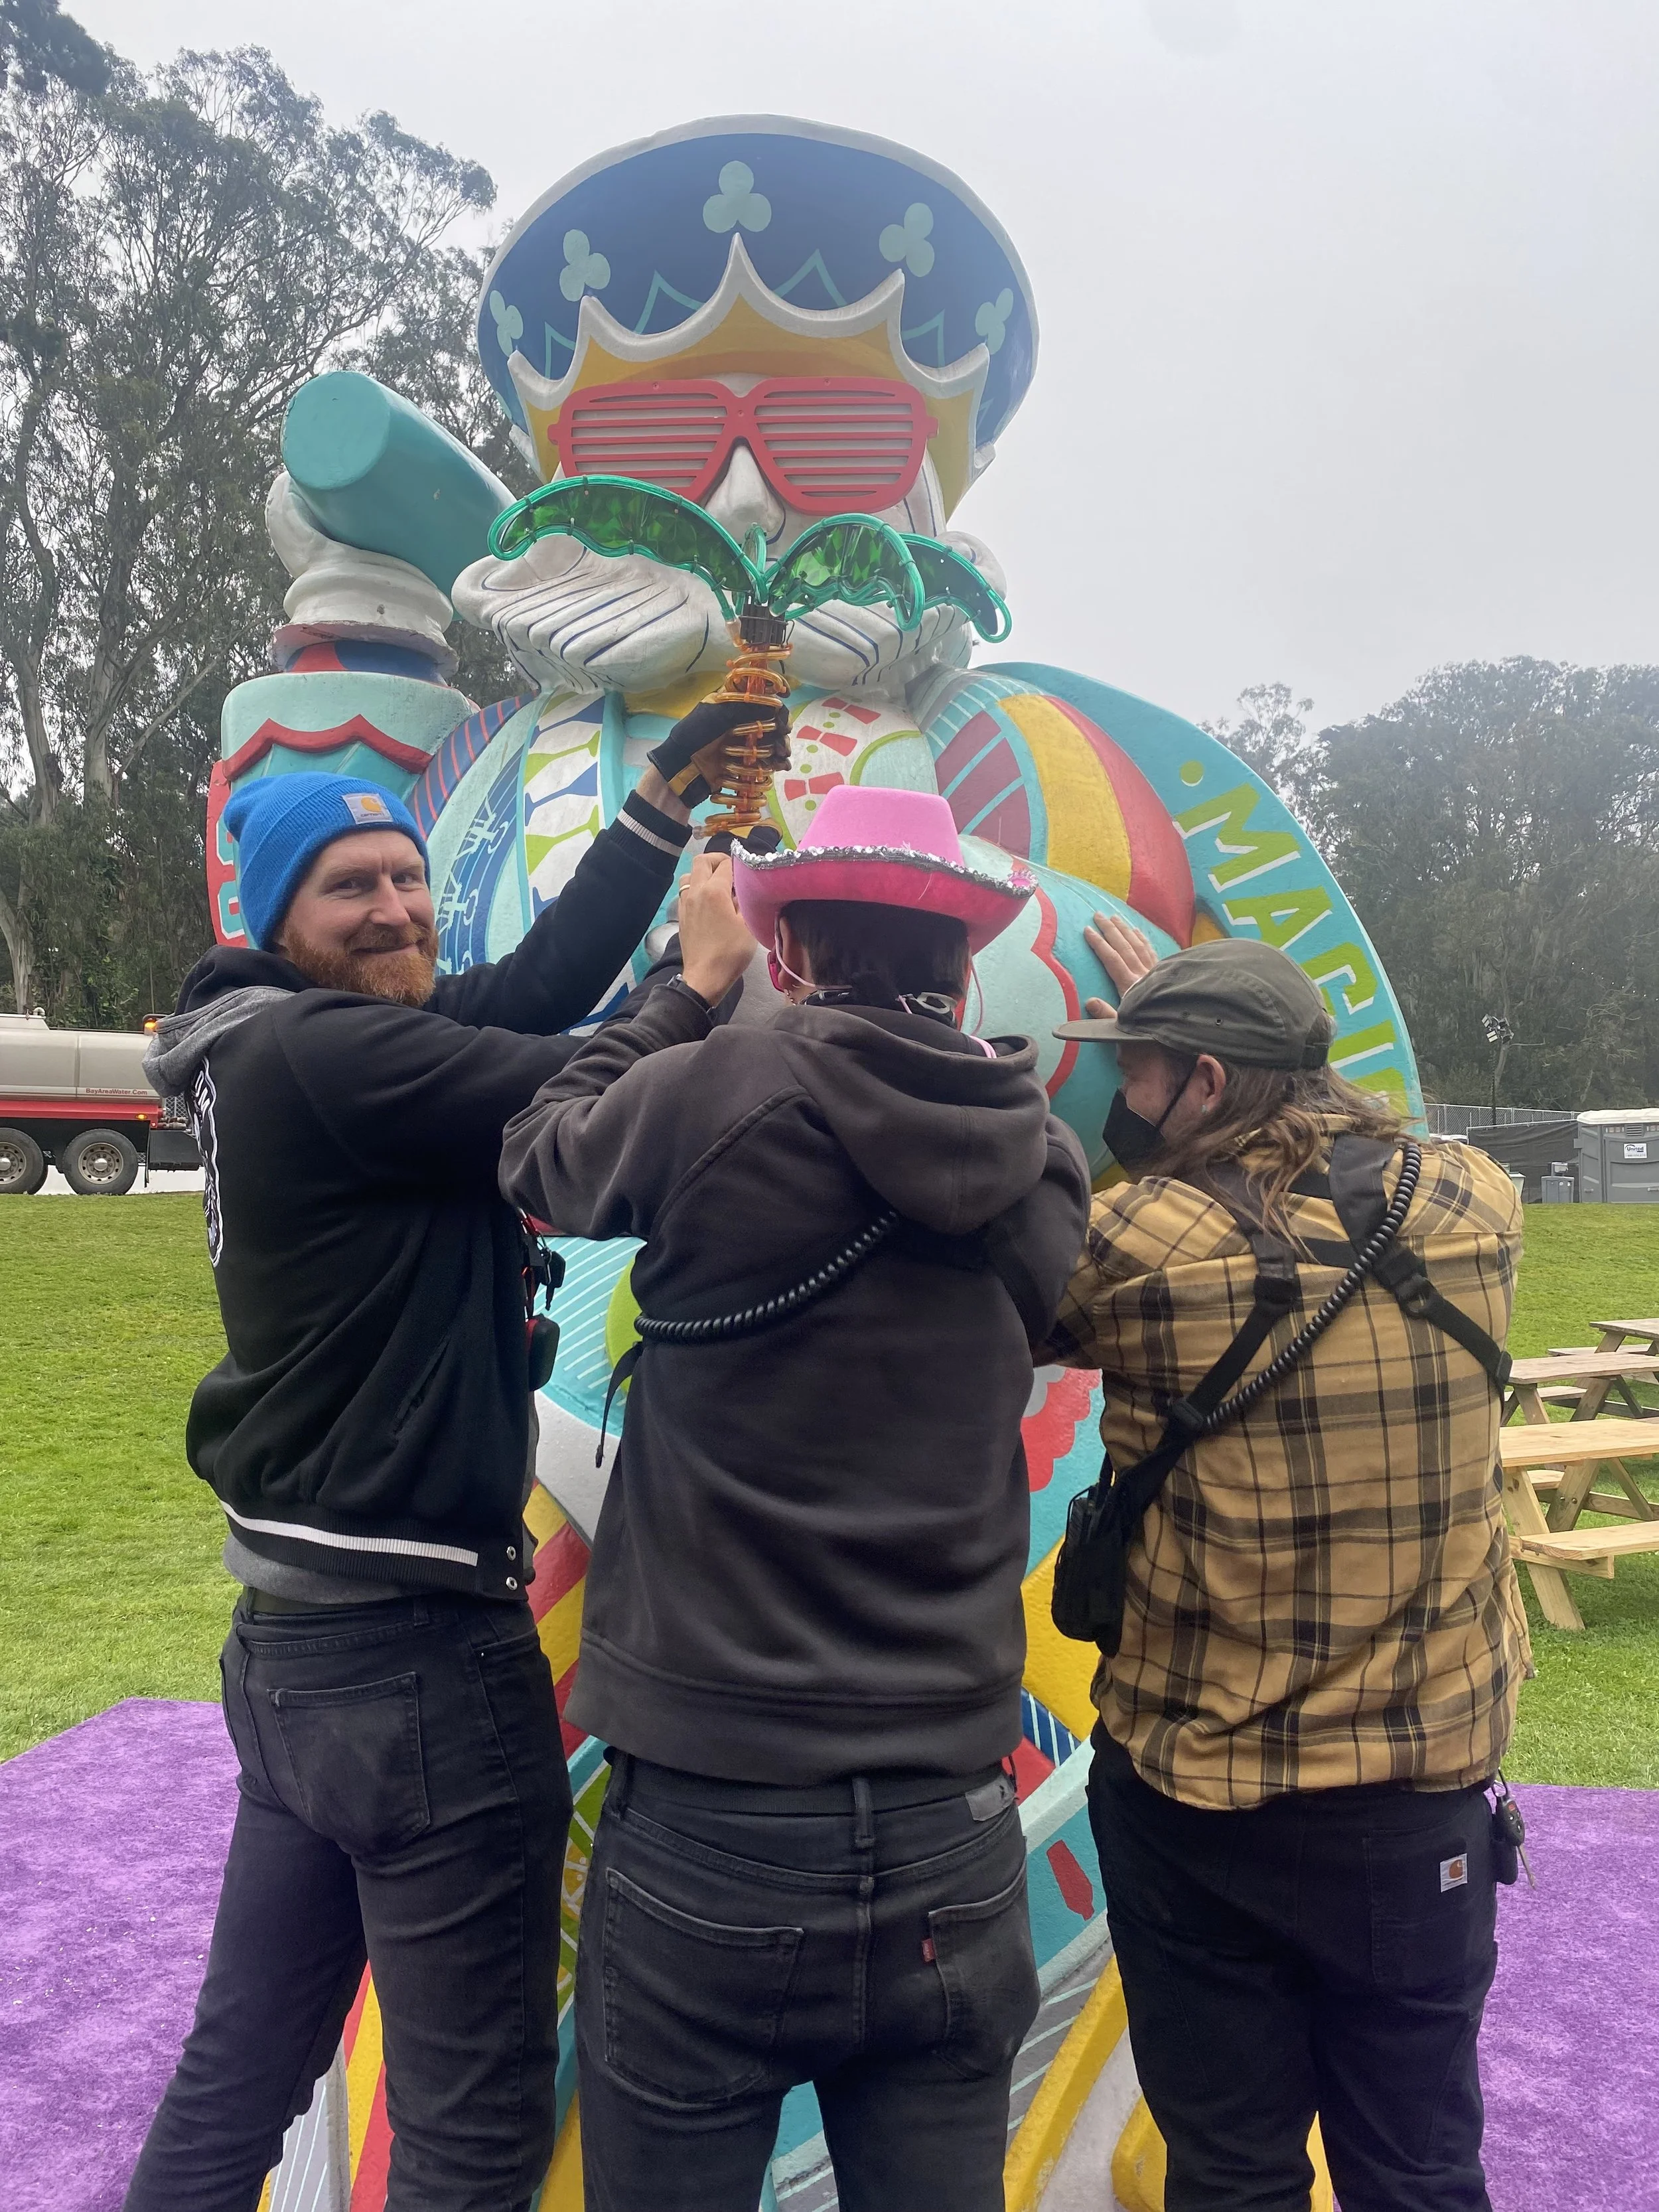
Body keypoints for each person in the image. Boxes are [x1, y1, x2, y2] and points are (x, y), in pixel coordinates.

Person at [126, 700, 776, 2212]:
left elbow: (524, 991)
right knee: (472, 2134)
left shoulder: (279, 1039)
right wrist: (696, 987)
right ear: (276, 920)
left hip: (298, 1652)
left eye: (407, 878)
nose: (396, 909)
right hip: (415, 1664)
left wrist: (655, 806)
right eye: (349, 888)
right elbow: (571, 1083)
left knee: (239, 2075)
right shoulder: (321, 1055)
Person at [498, 783, 1092, 2212]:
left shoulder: (712, 1090)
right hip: (951, 1820)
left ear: (792, 951)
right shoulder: (1038, 1150)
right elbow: (1054, 1319)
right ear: (963, 965)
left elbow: (537, 1147)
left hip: (715, 1819)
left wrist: (687, 988)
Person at [1041, 920, 1531, 2212]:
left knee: (1231, 2171)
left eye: (1138, 1069)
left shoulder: (1132, 1239)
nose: (1121, 1095)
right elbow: (1325, 1127)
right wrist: (1222, 1017)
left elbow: (1019, 1299)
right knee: (1421, 2168)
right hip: (1420, 1802)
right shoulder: (1475, 1199)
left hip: (1203, 1801)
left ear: (1202, 1082)